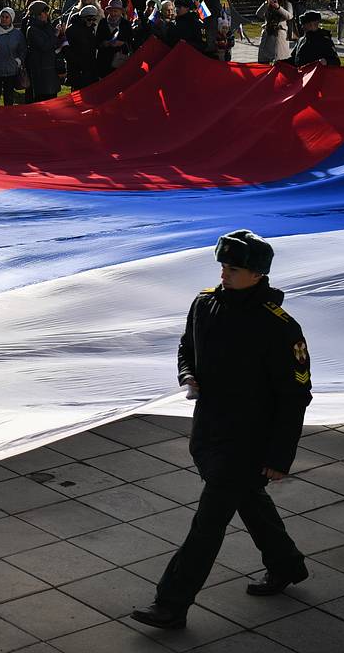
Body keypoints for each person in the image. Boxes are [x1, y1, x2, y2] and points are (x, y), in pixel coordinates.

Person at [132, 231, 312, 630]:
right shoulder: (204, 304)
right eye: (223, 266)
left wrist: (280, 457)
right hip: (210, 432)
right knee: (250, 502)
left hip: (248, 441)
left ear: (257, 274)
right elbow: (186, 347)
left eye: (234, 269)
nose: (224, 274)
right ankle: (287, 565)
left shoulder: (278, 326)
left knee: (207, 526)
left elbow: (295, 395)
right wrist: (188, 374)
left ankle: (171, 604)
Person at [24, 1, 60, 103]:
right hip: (40, 69)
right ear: (37, 14)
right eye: (43, 13)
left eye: (46, 12)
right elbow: (45, 46)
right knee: (41, 99)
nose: (45, 15)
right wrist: (55, 35)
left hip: (50, 68)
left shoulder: (47, 26)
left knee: (52, 99)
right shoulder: (32, 29)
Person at [64, 6, 100, 90]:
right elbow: (67, 49)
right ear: (82, 18)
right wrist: (77, 63)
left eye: (93, 19)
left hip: (89, 67)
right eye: (89, 19)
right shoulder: (72, 30)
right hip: (77, 69)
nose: (91, 22)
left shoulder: (91, 29)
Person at [256, 0, 293, 64]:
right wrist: (267, 3)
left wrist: (278, 7)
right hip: (267, 35)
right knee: (264, 61)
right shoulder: (267, 4)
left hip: (279, 36)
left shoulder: (287, 4)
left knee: (279, 61)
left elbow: (289, 16)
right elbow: (258, 14)